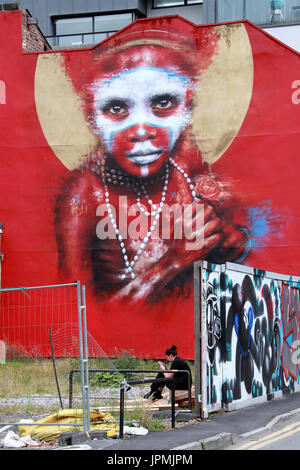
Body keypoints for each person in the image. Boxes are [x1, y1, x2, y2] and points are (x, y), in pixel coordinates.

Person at [55, 27, 250, 303]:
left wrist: (223, 241)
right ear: (92, 120)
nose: (142, 130)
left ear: (188, 111)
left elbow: (238, 237)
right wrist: (173, 261)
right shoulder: (84, 195)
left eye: (163, 102)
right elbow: (71, 306)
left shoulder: (188, 164)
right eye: (116, 108)